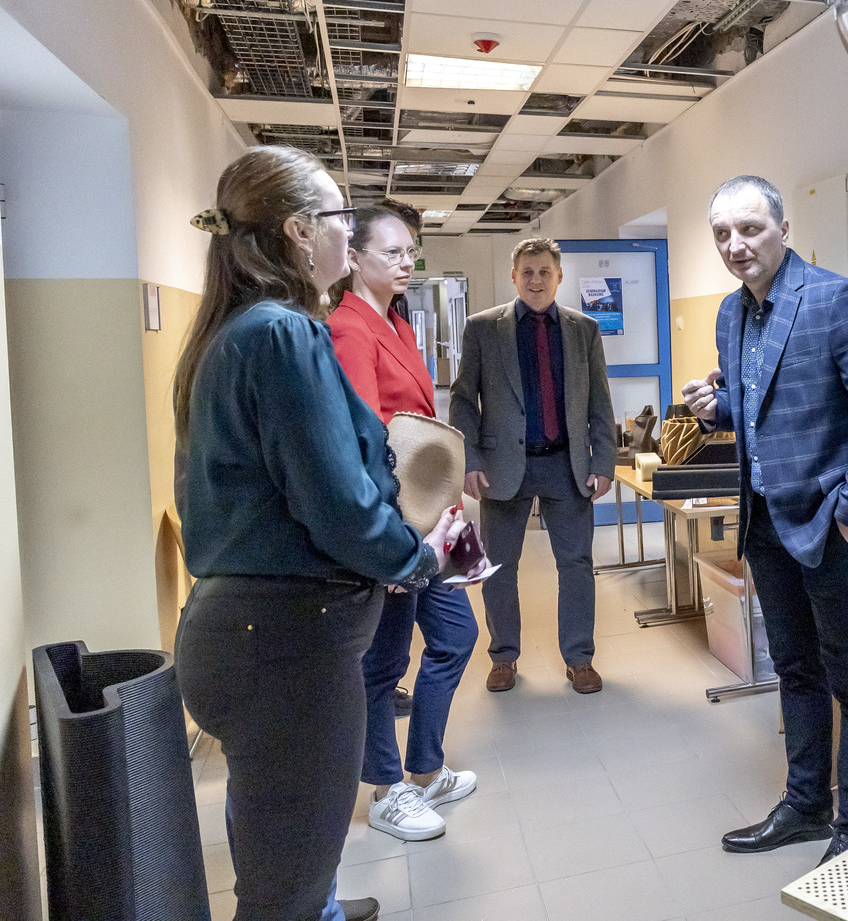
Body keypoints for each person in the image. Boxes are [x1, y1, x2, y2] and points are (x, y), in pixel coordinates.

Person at [173, 145, 485, 921]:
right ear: (299, 230)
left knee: (282, 851)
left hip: (247, 632)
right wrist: (417, 557)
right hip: (286, 642)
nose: (351, 231)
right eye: (342, 216)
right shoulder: (284, 334)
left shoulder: (235, 330)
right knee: (286, 885)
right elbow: (337, 503)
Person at [682, 175, 848, 865]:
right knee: (795, 670)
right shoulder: (730, 314)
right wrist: (715, 411)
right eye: (723, 233)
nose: (736, 245)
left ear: (784, 229)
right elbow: (755, 410)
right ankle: (806, 807)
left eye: (750, 229)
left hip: (832, 523)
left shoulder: (836, 299)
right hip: (765, 523)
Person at [329, 205, 479, 842]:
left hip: (431, 514)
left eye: (410, 251)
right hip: (396, 522)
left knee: (457, 635)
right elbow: (364, 443)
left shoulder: (396, 322)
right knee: (384, 662)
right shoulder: (348, 328)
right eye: (391, 252)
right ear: (353, 257)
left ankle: (426, 768)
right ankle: (388, 791)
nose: (406, 262)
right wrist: (385, 546)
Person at [450, 237, 617, 694]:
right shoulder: (482, 328)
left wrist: (604, 460)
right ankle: (503, 657)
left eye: (545, 272)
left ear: (559, 276)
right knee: (499, 566)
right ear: (514, 277)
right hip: (503, 466)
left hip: (567, 464)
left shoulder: (584, 329)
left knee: (577, 564)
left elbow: (600, 401)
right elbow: (463, 400)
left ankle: (580, 659)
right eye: (528, 272)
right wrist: (468, 459)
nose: (536, 280)